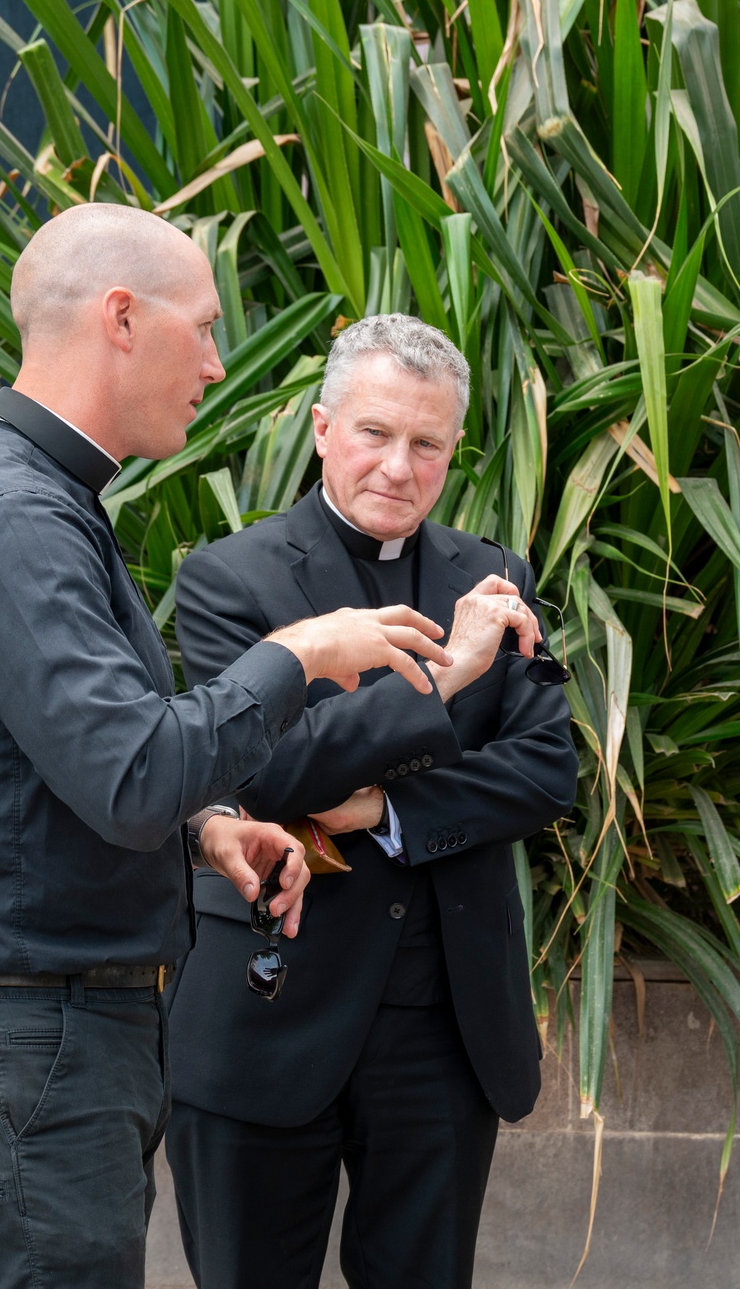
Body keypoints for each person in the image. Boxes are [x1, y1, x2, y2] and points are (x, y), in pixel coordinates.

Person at [0, 205, 453, 1289]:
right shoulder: (13, 518)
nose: (217, 362)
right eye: (204, 326)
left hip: (42, 1033)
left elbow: (60, 773)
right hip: (28, 1034)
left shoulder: (39, 502)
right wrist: (299, 654)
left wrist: (206, 828)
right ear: (122, 319)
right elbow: (131, 772)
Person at [162, 314, 579, 1289]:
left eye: (425, 442)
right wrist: (450, 674)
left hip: (442, 1024)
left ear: (452, 451)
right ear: (319, 427)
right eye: (373, 432)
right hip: (268, 1009)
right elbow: (268, 774)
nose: (398, 465)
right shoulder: (229, 578)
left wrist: (383, 811)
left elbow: (542, 769)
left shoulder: (494, 577)